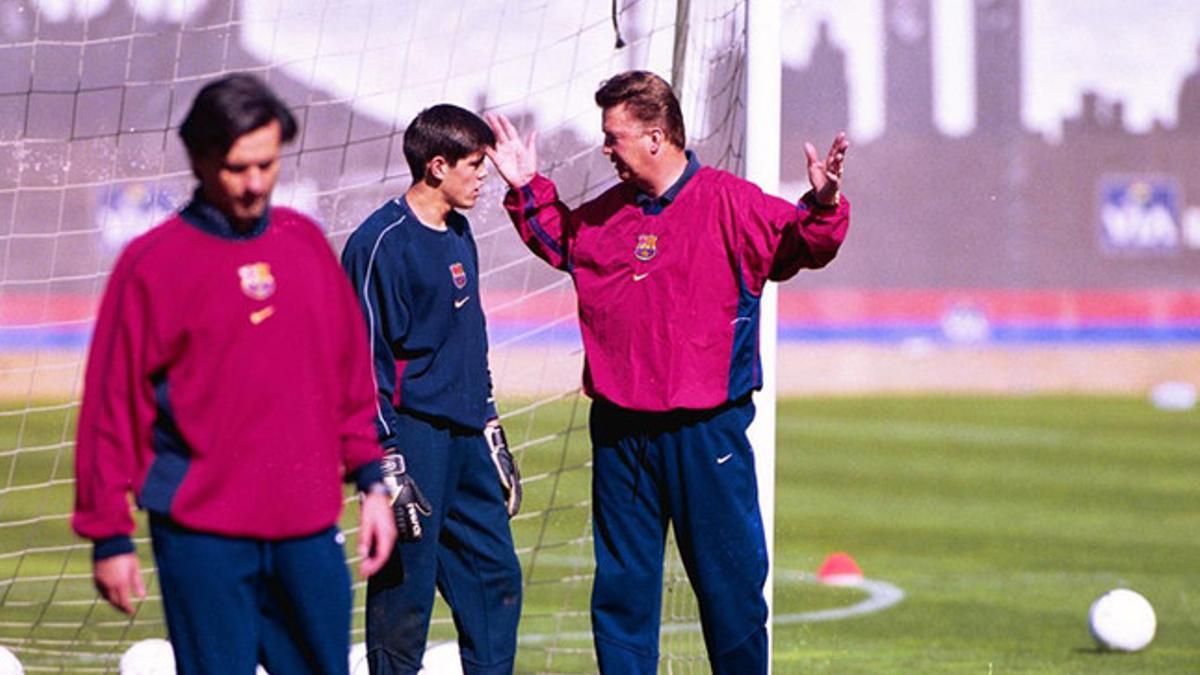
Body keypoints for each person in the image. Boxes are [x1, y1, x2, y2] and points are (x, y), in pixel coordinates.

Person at [485, 70, 850, 674]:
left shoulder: (733, 203)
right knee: (623, 593)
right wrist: (527, 188)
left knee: (730, 588)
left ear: (655, 137)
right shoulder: (605, 215)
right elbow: (562, 242)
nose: (605, 148)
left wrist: (825, 203)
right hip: (622, 433)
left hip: (706, 435)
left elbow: (804, 244)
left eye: (614, 136)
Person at [71, 72, 397, 674]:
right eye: (237, 167)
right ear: (199, 159)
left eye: (267, 165)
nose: (254, 184)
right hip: (203, 533)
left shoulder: (305, 245)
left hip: (306, 523)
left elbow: (349, 377)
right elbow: (111, 406)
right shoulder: (151, 265)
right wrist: (109, 535)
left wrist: (373, 481)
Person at [340, 104, 523, 675]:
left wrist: (490, 425)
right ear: (437, 166)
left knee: (496, 575)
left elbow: (469, 338)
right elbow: (359, 358)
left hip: (467, 437)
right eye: (474, 164)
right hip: (411, 437)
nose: (482, 175)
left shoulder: (459, 232)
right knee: (406, 593)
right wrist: (385, 456)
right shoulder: (379, 244)